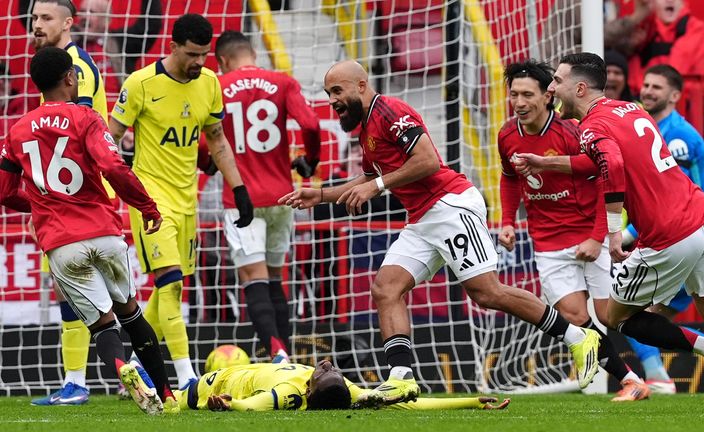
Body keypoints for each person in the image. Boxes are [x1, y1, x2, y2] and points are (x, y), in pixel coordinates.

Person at [279, 60, 601, 408]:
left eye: (337, 91)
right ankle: (400, 379)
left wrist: (378, 186)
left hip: (450, 206)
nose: (332, 100)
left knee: (487, 293)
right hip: (422, 218)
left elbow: (428, 161)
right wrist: (322, 194)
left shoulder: (390, 112)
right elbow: (371, 174)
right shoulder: (367, 126)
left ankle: (577, 336)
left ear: (360, 85)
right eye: (329, 94)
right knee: (386, 288)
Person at [514, 53, 704, 405]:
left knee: (617, 318)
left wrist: (614, 230)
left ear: (581, 87)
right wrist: (548, 162)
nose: (552, 88)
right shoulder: (628, 109)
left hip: (670, 234)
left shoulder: (590, 126)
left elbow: (612, 163)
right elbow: (603, 158)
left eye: (557, 81)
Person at [0, 46, 177, 415]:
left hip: (61, 244)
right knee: (132, 315)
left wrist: (40, 206)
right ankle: (168, 396)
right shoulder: (87, 117)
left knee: (102, 326)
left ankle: (120, 367)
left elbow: (4, 193)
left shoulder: (16, 131)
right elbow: (113, 166)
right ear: (70, 78)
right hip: (103, 231)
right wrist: (146, 206)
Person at [109, 14, 255, 391]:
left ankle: (137, 366)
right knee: (171, 283)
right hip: (150, 201)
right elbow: (110, 139)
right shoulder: (141, 83)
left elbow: (218, 140)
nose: (199, 62)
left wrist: (239, 189)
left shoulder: (208, 83)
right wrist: (109, 190)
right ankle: (185, 374)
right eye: (192, 54)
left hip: (186, 199)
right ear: (172, 47)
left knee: (167, 289)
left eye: (204, 54)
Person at [498, 60, 649, 402]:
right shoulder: (507, 135)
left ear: (547, 97)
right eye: (514, 95)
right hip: (548, 241)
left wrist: (597, 236)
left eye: (527, 95)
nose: (519, 102)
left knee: (610, 317)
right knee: (575, 317)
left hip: (587, 235)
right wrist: (508, 220)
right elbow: (509, 178)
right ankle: (632, 382)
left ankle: (696, 342)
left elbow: (603, 181)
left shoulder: (571, 132)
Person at [213, 30, 322, 363]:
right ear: (254, 54)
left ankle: (277, 354)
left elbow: (209, 143)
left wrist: (207, 164)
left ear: (221, 61)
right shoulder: (282, 82)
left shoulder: (217, 86)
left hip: (242, 198)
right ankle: (285, 354)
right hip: (281, 195)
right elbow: (312, 124)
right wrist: (310, 161)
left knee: (252, 276)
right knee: (276, 276)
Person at [28, 0, 111, 406]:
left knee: (83, 291)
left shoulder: (75, 69)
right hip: (64, 199)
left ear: (68, 22)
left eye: (46, 18)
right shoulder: (57, 67)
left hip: (77, 201)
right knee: (84, 291)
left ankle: (80, 381)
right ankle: (86, 378)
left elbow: (86, 137)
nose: (37, 25)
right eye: (34, 18)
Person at [621, 64, 704, 394]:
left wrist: (629, 233)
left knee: (628, 312)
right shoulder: (649, 128)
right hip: (686, 233)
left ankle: (660, 377)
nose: (647, 91)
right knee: (653, 316)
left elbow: (672, 199)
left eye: (657, 87)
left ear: (675, 96)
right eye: (646, 85)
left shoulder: (678, 137)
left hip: (683, 234)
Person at [174, 360, 510, 411]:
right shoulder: (347, 390)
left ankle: (136, 374)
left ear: (310, 389)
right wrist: (470, 401)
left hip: (220, 379)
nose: (324, 365)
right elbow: (412, 404)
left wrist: (228, 403)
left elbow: (253, 406)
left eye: (321, 372)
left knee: (170, 404)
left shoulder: (290, 391)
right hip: (243, 372)